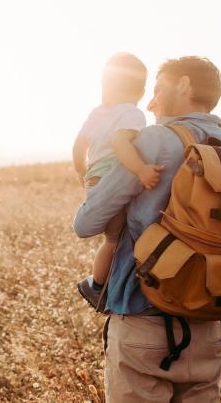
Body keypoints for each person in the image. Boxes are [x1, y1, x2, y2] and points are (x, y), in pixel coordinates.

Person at [73, 20, 221, 402]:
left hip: (143, 327)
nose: (151, 103)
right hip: (209, 331)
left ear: (183, 86)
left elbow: (86, 223)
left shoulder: (153, 141)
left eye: (158, 90)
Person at [73, 52, 164, 310]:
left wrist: (82, 172)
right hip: (110, 176)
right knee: (114, 239)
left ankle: (104, 282)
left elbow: (79, 144)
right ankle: (97, 286)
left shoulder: (98, 113)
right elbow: (119, 142)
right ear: (142, 90)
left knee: (113, 236)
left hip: (94, 177)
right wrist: (141, 169)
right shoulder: (133, 114)